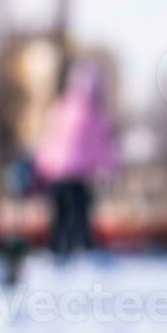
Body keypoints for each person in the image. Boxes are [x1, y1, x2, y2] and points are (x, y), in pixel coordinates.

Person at [34, 61, 117, 258]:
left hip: (57, 174)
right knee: (79, 215)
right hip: (77, 175)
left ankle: (57, 252)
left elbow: (49, 139)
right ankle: (80, 251)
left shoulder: (60, 107)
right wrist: (111, 166)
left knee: (61, 217)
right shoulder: (94, 114)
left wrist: (42, 165)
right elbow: (101, 145)